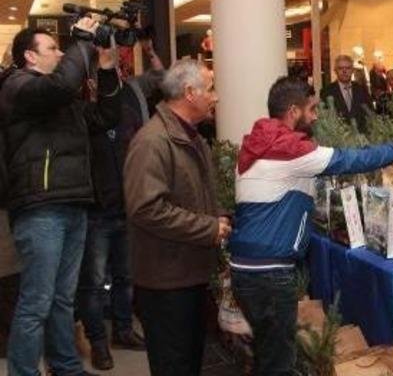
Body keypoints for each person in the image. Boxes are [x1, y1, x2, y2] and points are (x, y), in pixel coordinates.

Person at [228, 77, 393, 375]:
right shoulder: (289, 150)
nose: (315, 116)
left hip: (247, 268)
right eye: (311, 109)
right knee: (279, 362)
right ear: (293, 111)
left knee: (268, 350)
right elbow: (350, 160)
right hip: (270, 273)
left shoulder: (257, 145)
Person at [0, 24, 121, 376]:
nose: (59, 53)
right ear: (30, 56)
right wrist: (81, 41)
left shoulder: (63, 98)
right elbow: (61, 85)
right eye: (52, 48)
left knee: (62, 299)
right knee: (37, 301)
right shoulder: (17, 86)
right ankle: (24, 370)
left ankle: (66, 366)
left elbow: (107, 117)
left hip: (73, 204)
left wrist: (108, 66)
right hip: (40, 207)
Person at [124, 59, 231, 376]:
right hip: (166, 282)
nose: (215, 97)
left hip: (189, 274)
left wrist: (220, 218)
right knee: (174, 365)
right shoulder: (153, 141)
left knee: (189, 362)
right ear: (189, 93)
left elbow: (192, 196)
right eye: (210, 89)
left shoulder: (190, 136)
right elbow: (146, 208)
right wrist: (208, 228)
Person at [78, 44, 165, 370]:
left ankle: (124, 330)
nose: (118, 68)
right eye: (110, 64)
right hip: (96, 207)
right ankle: (98, 341)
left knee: (126, 275)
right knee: (94, 282)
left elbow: (159, 77)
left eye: (119, 64)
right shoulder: (83, 101)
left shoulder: (131, 91)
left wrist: (151, 51)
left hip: (128, 202)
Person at [320, 54, 373, 133]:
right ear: (335, 71)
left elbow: (370, 114)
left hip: (362, 138)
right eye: (340, 68)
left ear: (352, 70)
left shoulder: (362, 90)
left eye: (348, 68)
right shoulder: (327, 92)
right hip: (339, 139)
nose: (344, 71)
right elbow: (324, 118)